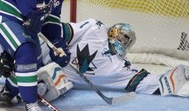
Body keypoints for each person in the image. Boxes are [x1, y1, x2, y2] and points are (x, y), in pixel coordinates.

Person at [40, 18, 189, 98]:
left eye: (126, 41)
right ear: (113, 31)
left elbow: (146, 83)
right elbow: (61, 31)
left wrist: (179, 76)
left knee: (51, 84)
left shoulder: (120, 67)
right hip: (44, 53)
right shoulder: (95, 29)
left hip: (57, 77)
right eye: (121, 36)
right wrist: (57, 45)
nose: (122, 41)